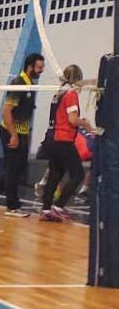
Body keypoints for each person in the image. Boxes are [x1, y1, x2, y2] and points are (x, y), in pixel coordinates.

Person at [0, 52, 45, 218]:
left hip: (21, 133)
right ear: (30, 67)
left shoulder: (30, 85)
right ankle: (12, 206)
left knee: (17, 169)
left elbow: (24, 113)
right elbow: (6, 112)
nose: (41, 71)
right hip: (10, 132)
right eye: (39, 67)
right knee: (13, 168)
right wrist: (13, 135)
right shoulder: (18, 84)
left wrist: (25, 135)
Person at [39, 65, 93, 223]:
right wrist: (85, 124)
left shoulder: (59, 93)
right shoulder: (71, 93)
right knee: (78, 174)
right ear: (77, 79)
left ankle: (46, 210)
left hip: (51, 139)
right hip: (63, 140)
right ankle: (58, 206)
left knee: (55, 174)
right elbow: (72, 120)